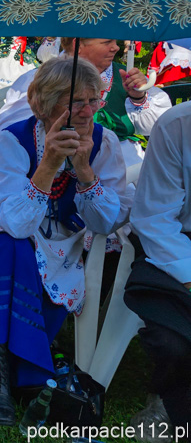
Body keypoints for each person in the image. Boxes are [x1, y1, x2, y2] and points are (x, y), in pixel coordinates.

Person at [0, 59, 129, 425]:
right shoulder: (13, 138)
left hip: (61, 235)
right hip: (2, 216)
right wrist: (48, 163)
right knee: (10, 246)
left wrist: (83, 167)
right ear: (46, 105)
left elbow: (107, 221)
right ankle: (0, 369)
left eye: (93, 100)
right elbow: (14, 222)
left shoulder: (103, 143)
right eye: (75, 101)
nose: (87, 110)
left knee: (21, 252)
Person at [0, 38, 171, 166]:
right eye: (107, 42)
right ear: (77, 44)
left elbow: (158, 127)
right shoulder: (41, 80)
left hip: (121, 162)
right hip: (56, 162)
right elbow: (14, 133)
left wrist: (138, 97)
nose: (116, 47)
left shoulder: (124, 75)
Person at [126, 100, 191, 437]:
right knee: (173, 338)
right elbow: (154, 218)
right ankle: (169, 399)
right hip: (174, 241)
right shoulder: (177, 124)